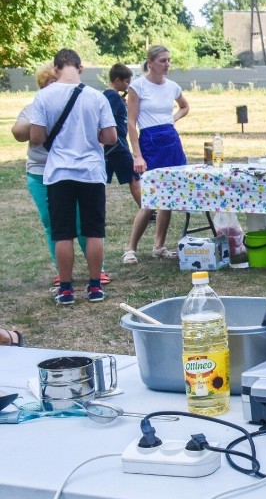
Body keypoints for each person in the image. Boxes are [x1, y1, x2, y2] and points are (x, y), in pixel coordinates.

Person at [29, 49, 117, 305]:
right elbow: (110, 137)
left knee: (63, 233)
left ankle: (66, 289)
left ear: (56, 69)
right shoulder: (96, 96)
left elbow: (36, 138)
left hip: (58, 173)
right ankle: (95, 287)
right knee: (93, 231)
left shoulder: (43, 96)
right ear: (80, 68)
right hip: (91, 172)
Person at [123, 45, 189, 264]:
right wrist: (137, 155)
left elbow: (184, 106)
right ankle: (130, 248)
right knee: (150, 198)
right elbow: (131, 123)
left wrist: (173, 119)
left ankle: (159, 245)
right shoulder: (138, 87)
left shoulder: (172, 86)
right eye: (162, 60)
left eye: (169, 60)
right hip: (149, 142)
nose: (167, 64)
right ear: (150, 63)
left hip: (171, 140)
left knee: (168, 197)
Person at [103, 63, 141, 207]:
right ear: (117, 80)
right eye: (126, 82)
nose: (128, 85)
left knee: (102, 180)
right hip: (117, 145)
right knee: (133, 176)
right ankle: (147, 211)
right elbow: (108, 120)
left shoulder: (112, 96)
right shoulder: (112, 97)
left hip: (112, 145)